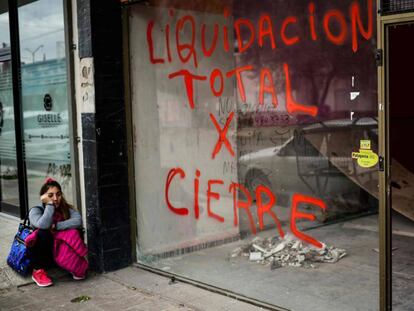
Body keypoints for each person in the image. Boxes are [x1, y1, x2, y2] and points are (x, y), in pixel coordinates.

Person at [28, 178, 87, 287]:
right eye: (50, 195)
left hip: (58, 251)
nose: (55, 198)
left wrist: (56, 226)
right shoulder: (36, 210)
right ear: (43, 197)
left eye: (58, 194)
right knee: (43, 232)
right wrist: (49, 205)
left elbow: (78, 220)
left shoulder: (65, 208)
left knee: (75, 230)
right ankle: (37, 271)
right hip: (41, 253)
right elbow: (43, 225)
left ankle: (72, 262)